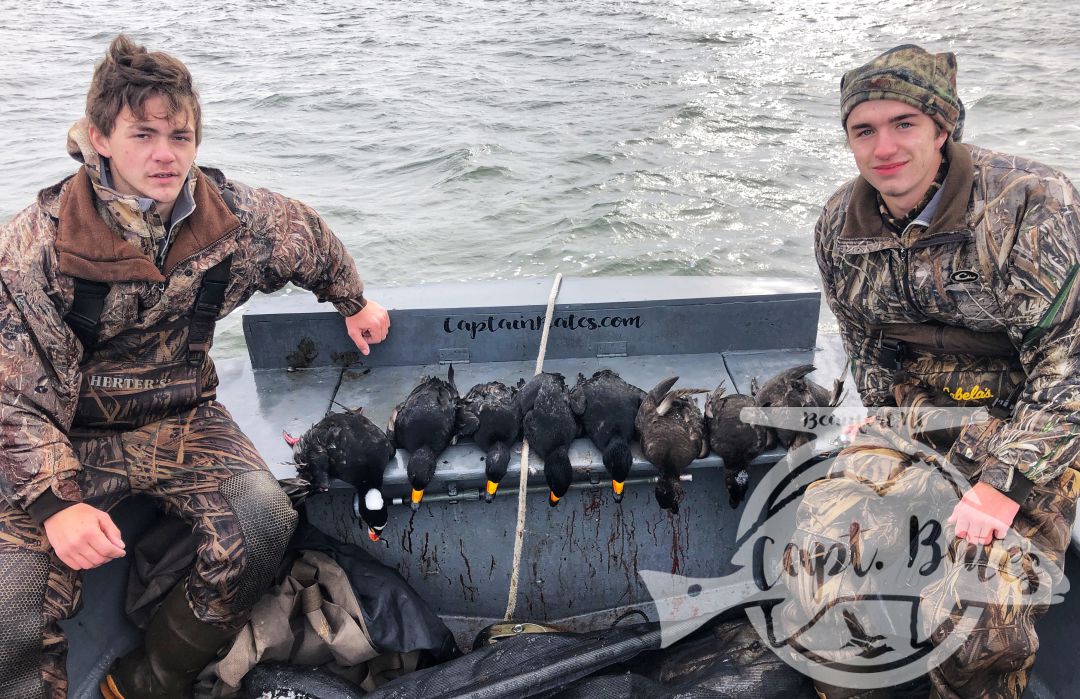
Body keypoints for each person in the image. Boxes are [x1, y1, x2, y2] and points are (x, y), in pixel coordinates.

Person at [0, 35, 390, 698]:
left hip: (181, 417)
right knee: (11, 604)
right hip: (66, 439)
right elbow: (14, 397)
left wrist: (351, 299)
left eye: (180, 136)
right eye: (143, 134)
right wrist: (53, 505)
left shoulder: (231, 217)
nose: (164, 154)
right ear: (99, 137)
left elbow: (305, 235)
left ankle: (149, 677)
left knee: (264, 519)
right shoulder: (35, 247)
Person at [798, 44, 1080, 698]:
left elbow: (1070, 369)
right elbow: (863, 335)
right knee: (823, 562)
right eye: (863, 130)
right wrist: (882, 417)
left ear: (943, 127)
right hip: (916, 418)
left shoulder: (1032, 206)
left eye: (904, 124)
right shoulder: (839, 224)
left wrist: (1001, 483)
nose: (884, 147)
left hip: (1027, 429)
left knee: (980, 615)